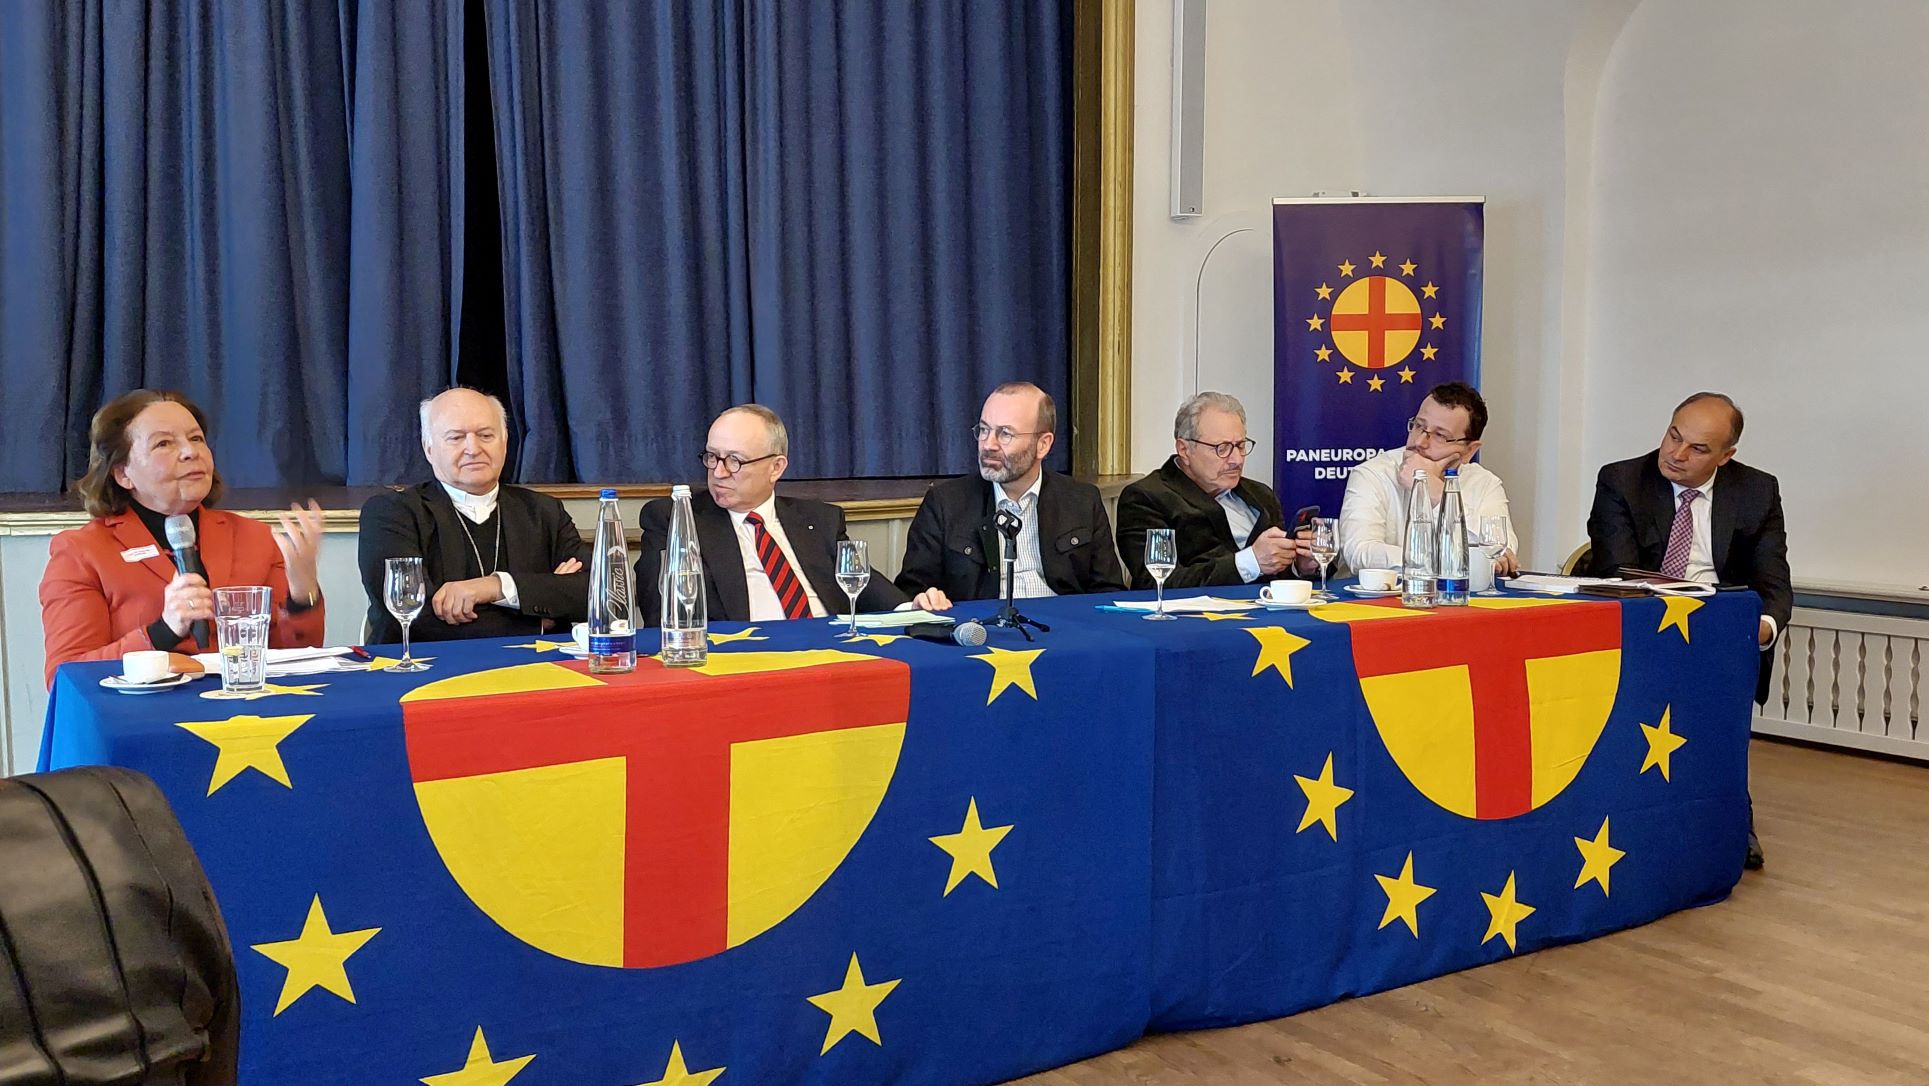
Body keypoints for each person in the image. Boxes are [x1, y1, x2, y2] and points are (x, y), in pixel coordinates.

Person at [1587, 390, 1790, 869]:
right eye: (1673, 435)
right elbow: (1618, 574)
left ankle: (1731, 820)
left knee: (1719, 708)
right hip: (1645, 628)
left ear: (1726, 456)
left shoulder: (1757, 490)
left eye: (1697, 448)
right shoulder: (1622, 480)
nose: (1676, 454)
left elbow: (1773, 581)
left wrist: (1760, 630)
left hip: (1721, 632)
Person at [39, 390, 326, 687]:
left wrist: (302, 594)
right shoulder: (82, 552)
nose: (190, 452)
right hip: (145, 712)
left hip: (244, 705)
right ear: (123, 474)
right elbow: (64, 678)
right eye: (163, 443)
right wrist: (163, 631)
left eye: (196, 438)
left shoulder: (255, 538)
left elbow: (294, 657)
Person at [637, 405, 951, 624]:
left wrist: (912, 607)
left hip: (832, 658)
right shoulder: (677, 520)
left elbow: (865, 588)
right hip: (743, 665)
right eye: (712, 457)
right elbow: (661, 614)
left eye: (734, 461)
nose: (718, 472)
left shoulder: (819, 520)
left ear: (776, 467)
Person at [358, 388, 590, 644]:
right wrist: (538, 617)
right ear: (429, 449)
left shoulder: (544, 511)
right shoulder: (392, 513)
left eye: (485, 435)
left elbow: (598, 593)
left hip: (540, 664)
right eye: (456, 437)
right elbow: (413, 616)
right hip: (426, 664)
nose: (473, 448)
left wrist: (496, 586)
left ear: (504, 442)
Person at [895, 382, 1126, 602]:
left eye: (1005, 434)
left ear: (1043, 444)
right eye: (984, 430)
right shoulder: (945, 503)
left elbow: (1109, 592)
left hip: (1063, 624)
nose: (988, 445)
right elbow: (912, 591)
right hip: (981, 627)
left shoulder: (1082, 501)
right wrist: (925, 599)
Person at [1115, 391, 1316, 590]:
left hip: (1269, 608)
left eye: (1240, 446)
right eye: (1222, 448)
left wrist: (1300, 566)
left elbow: (1277, 577)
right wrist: (1250, 562)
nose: (1236, 460)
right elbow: (1158, 583)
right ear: (1184, 450)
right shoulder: (1146, 498)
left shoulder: (1261, 495)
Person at [1337, 381, 1519, 575]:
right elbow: (1359, 552)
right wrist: (1445, 561)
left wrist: (1438, 495)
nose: (1419, 442)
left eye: (1439, 435)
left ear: (1469, 450)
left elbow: (1502, 551)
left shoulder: (1485, 484)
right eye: (1418, 426)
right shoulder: (1373, 474)